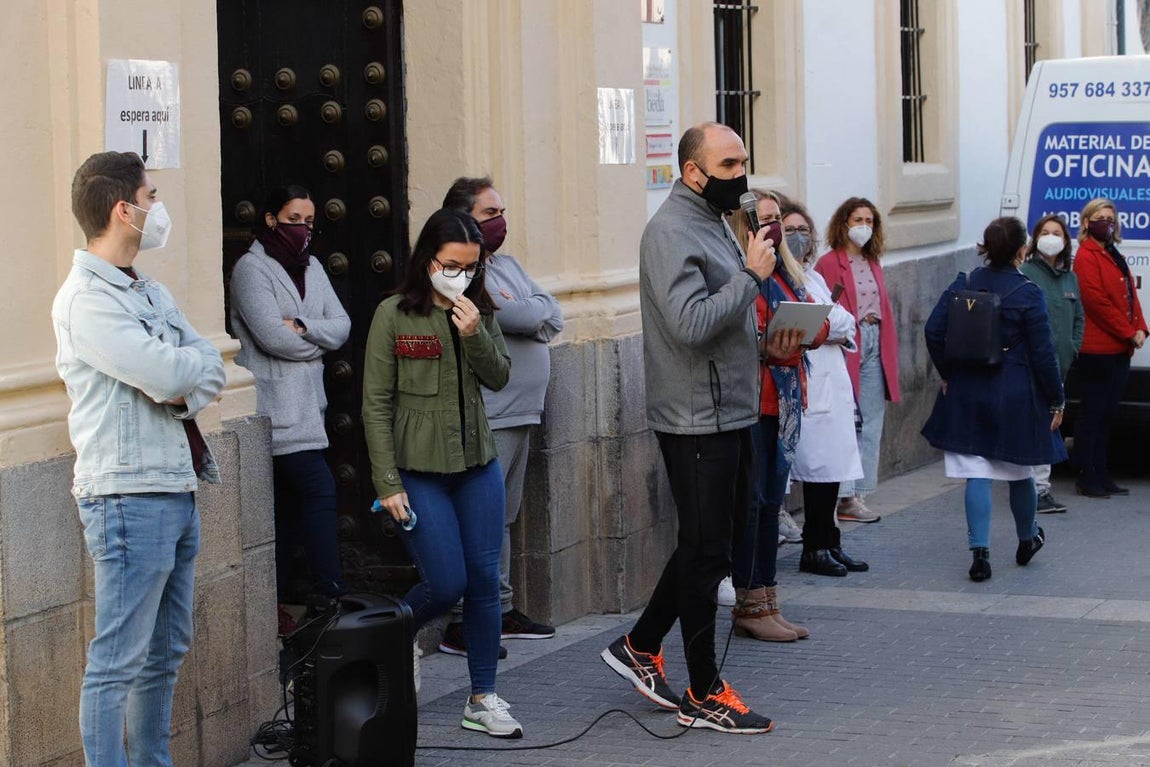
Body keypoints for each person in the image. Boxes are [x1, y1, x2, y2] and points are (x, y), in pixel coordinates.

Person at [600, 122, 790, 734]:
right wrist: (752, 277)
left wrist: (768, 340)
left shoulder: (712, 222)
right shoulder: (670, 232)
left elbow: (724, 322)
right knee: (707, 552)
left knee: (716, 543)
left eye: (743, 161)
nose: (742, 174)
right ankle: (704, 690)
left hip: (731, 408)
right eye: (730, 164)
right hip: (695, 419)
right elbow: (688, 324)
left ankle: (640, 645)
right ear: (693, 172)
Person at [53, 151, 225, 765]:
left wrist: (190, 373)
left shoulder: (147, 288)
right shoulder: (86, 301)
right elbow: (166, 373)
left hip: (174, 483)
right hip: (126, 495)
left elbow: (205, 363)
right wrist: (189, 372)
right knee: (117, 660)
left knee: (166, 649)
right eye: (152, 197)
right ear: (124, 211)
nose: (158, 209)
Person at [361, 208, 521, 738]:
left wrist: (476, 332)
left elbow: (499, 376)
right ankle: (391, 637)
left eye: (471, 267)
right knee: (447, 581)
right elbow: (376, 404)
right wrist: (388, 483)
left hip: (477, 465)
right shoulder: (394, 314)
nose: (462, 276)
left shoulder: (478, 309)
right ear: (428, 258)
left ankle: (483, 696)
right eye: (452, 265)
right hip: (419, 471)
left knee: (483, 584)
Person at [439, 176, 563, 655]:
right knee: (480, 520)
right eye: (491, 214)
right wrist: (530, 310)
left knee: (503, 518)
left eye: (500, 212)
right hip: (492, 412)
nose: (500, 222)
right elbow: (524, 318)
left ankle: (501, 607)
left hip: (522, 411)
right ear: (465, 218)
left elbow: (549, 313)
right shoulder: (462, 273)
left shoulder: (505, 265)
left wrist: (530, 309)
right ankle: (462, 620)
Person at [229, 185, 350, 620]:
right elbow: (271, 336)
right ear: (270, 220)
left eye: (309, 221)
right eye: (293, 219)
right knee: (317, 490)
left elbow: (342, 325)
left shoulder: (313, 266)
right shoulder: (251, 270)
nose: (302, 229)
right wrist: (314, 338)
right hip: (276, 410)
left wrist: (301, 326)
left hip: (309, 408)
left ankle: (276, 602)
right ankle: (330, 591)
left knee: (287, 509)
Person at [921, 217, 1065, 582]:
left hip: (968, 390)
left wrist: (948, 373)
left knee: (976, 473)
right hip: (1014, 393)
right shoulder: (1029, 292)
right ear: (1022, 250)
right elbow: (1044, 354)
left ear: (984, 247)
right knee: (1020, 472)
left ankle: (980, 554)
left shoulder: (965, 282)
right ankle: (1027, 538)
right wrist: (1056, 400)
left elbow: (933, 330)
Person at [727, 189, 826, 640]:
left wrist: (803, 330)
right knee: (751, 505)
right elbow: (737, 328)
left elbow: (819, 321)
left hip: (784, 401)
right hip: (752, 400)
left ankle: (768, 598)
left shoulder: (788, 270)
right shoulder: (739, 270)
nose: (768, 227)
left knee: (771, 503)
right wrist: (766, 342)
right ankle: (749, 601)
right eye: (759, 219)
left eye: (774, 219)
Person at [779, 196, 869, 577]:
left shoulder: (810, 274)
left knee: (832, 471)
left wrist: (827, 327)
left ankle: (831, 542)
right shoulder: (780, 278)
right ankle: (814, 548)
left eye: (803, 230)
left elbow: (846, 321)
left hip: (833, 384)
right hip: (809, 389)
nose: (798, 237)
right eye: (789, 231)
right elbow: (808, 326)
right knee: (817, 473)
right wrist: (828, 327)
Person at [816, 197, 901, 524]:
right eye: (857, 220)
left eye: (869, 220)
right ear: (844, 223)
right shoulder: (829, 263)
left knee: (872, 417)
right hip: (849, 342)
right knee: (847, 418)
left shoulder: (873, 260)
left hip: (875, 339)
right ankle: (844, 494)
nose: (864, 226)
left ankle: (861, 491)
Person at [1070, 198, 1148, 498]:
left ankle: (1102, 473)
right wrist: (1129, 332)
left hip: (1118, 348)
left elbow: (1130, 293)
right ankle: (1086, 475)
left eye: (1110, 218)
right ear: (1087, 222)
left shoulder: (1112, 253)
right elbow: (1096, 302)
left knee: (1107, 414)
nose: (1107, 222)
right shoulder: (1086, 256)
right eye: (1100, 217)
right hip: (1097, 349)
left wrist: (1141, 327)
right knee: (1092, 413)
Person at [1020, 214, 1083, 513]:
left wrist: (1072, 347)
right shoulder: (1026, 273)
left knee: (1049, 423)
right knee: (1041, 424)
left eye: (1056, 232)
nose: (1050, 237)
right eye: (1045, 232)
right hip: (1033, 365)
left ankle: (1036, 488)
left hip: (1060, 365)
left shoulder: (1069, 278)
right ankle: (1037, 489)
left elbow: (1079, 318)